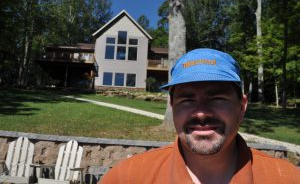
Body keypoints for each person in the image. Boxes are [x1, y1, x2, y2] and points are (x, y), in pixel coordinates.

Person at [100, 48, 300, 184]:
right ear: (172, 107)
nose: (202, 112)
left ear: (242, 107)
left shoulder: (286, 178)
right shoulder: (128, 177)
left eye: (217, 98)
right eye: (187, 100)